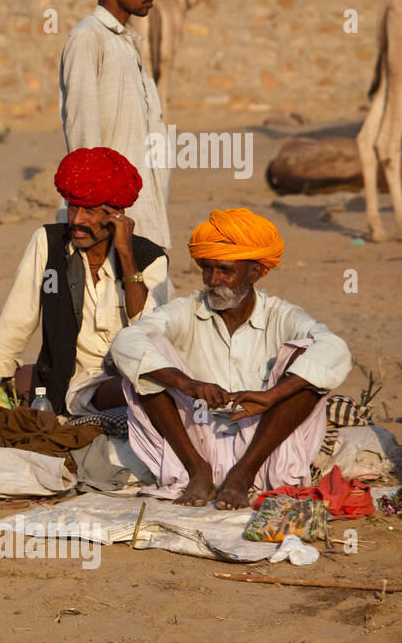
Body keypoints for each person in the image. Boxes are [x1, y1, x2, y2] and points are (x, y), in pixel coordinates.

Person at [110, 209, 351, 510]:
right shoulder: (187, 310)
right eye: (207, 269)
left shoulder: (281, 314)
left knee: (307, 355)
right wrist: (186, 383)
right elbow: (127, 341)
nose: (213, 281)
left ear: (255, 273)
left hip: (264, 445)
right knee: (145, 353)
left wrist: (270, 396)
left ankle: (243, 474)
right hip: (194, 437)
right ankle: (198, 470)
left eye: (225, 271)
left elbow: (335, 349)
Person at [0, 147, 169, 417]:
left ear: (116, 215)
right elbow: (15, 322)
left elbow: (149, 332)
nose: (76, 220)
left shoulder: (149, 259)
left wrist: (126, 256)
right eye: (72, 206)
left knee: (149, 389)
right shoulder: (48, 244)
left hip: (120, 384)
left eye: (90, 211)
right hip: (61, 387)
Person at [59, 0, 172, 250]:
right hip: (109, 216)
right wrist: (94, 211)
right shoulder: (87, 38)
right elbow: (82, 132)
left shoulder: (125, 42)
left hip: (142, 207)